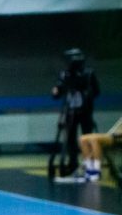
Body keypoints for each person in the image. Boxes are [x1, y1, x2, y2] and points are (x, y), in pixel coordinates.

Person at [52, 48, 100, 180]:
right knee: (70, 139)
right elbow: (58, 89)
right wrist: (57, 91)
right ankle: (72, 164)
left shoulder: (88, 74)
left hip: (85, 111)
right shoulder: (64, 75)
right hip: (70, 111)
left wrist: (87, 95)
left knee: (88, 138)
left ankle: (91, 167)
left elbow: (96, 91)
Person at [79, 116, 122, 182]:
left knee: (94, 139)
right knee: (83, 139)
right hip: (113, 135)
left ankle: (96, 171)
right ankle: (89, 170)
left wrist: (115, 134)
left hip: (118, 137)